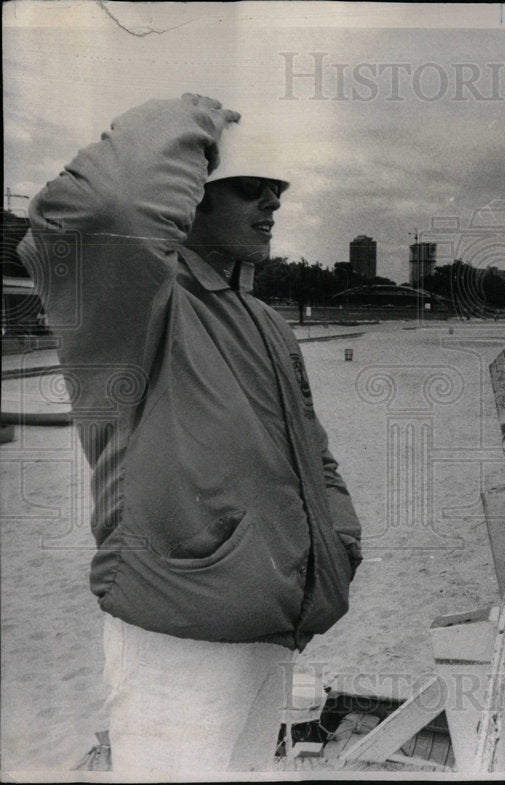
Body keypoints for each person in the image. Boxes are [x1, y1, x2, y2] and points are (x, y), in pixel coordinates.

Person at [20, 94, 362, 774]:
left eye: (278, 190)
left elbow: (313, 453)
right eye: (250, 189)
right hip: (175, 639)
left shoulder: (266, 323)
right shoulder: (132, 312)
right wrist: (193, 114)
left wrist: (340, 542)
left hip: (270, 628)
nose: (272, 204)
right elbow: (97, 210)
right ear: (193, 197)